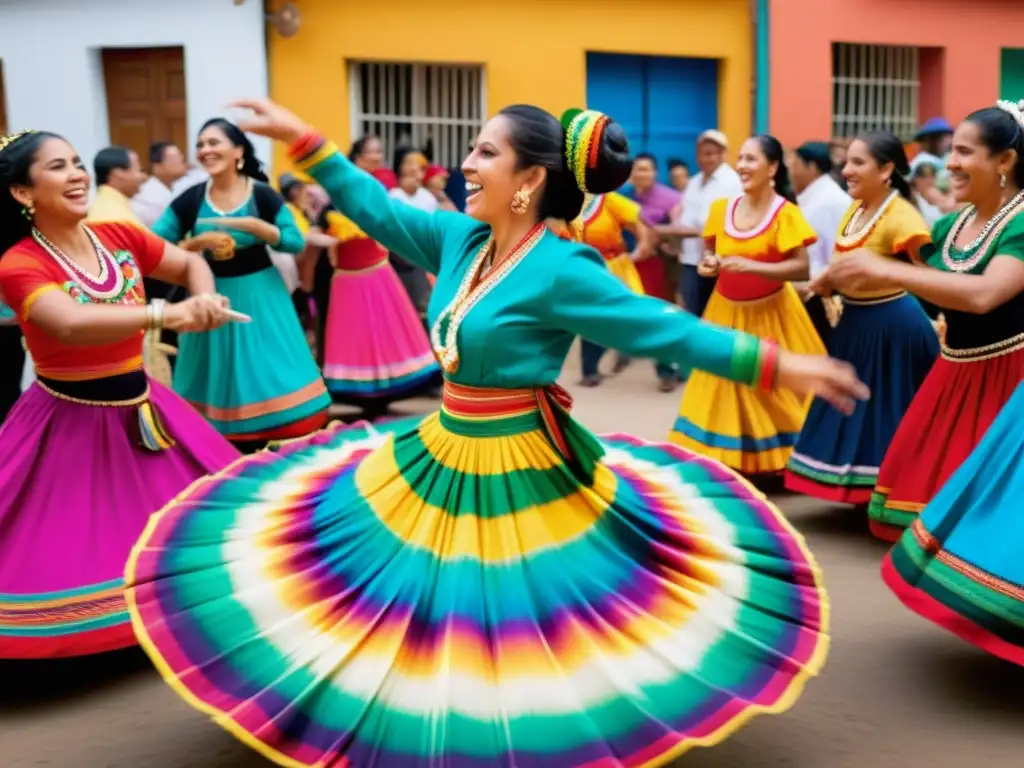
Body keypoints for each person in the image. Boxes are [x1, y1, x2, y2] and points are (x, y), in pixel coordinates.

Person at [124, 98, 868, 768]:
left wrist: (780, 365)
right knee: (411, 606)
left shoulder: (561, 268)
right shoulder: (458, 239)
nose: (465, 165)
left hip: (519, 462)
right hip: (439, 451)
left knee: (517, 620)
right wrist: (306, 141)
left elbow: (665, 329)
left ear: (528, 180)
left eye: (484, 153)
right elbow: (371, 208)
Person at [0, 129, 240, 658]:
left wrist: (205, 300)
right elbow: (68, 323)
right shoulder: (18, 263)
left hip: (146, 408)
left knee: (197, 518)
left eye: (77, 162)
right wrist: (166, 313)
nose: (78, 174)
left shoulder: (118, 236)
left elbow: (188, 263)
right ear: (23, 193)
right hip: (68, 416)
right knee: (66, 540)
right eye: (58, 167)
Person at [818, 103, 1024, 542]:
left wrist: (887, 270)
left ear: (1004, 161)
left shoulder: (1020, 224)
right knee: (934, 502)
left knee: (997, 511)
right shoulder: (950, 225)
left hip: (1011, 384)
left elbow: (986, 294)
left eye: (965, 152)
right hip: (954, 374)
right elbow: (938, 292)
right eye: (952, 151)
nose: (951, 162)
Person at [152, 118, 330, 451]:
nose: (205, 150)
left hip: (261, 296)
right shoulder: (189, 200)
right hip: (209, 296)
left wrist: (259, 229)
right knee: (212, 377)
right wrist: (194, 245)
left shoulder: (262, 196)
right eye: (201, 144)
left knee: (268, 370)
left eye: (214, 143)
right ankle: (218, 453)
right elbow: (154, 248)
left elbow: (293, 242)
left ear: (238, 151)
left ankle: (270, 446)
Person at [785, 132, 939, 504]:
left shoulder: (902, 217)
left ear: (886, 169)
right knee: (856, 408)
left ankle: (888, 493)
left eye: (859, 163)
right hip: (856, 324)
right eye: (847, 162)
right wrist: (824, 284)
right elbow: (846, 265)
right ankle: (860, 491)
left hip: (893, 329)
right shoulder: (855, 209)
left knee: (885, 412)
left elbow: (934, 271)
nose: (847, 170)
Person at [669, 135, 824, 474]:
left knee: (771, 391)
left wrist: (754, 266)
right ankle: (730, 462)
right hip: (725, 312)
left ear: (772, 167)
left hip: (773, 315)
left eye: (751, 159)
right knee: (724, 389)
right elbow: (709, 255)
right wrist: (707, 265)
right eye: (740, 158)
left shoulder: (786, 214)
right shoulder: (721, 209)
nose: (742, 166)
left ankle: (775, 462)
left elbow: (802, 267)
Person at [318, 171, 440, 409]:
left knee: (385, 332)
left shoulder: (374, 204)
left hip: (377, 275)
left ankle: (391, 387)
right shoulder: (329, 212)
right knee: (354, 336)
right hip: (347, 280)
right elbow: (326, 247)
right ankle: (356, 391)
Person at [567, 191, 654, 387]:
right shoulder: (566, 199)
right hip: (585, 269)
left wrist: (644, 244)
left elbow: (639, 224)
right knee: (589, 319)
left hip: (615, 267)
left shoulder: (609, 199)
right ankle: (589, 371)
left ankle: (666, 368)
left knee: (635, 315)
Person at [657, 130, 743, 320]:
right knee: (691, 312)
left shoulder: (731, 182)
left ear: (722, 155)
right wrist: (674, 238)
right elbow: (685, 218)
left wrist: (668, 231)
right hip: (689, 259)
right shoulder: (695, 182)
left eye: (711, 153)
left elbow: (721, 226)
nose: (705, 159)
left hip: (716, 262)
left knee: (713, 317)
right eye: (702, 153)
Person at [786, 141, 852, 342]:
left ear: (811, 167)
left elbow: (820, 261)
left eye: (794, 163)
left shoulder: (824, 202)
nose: (789, 169)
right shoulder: (817, 197)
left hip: (824, 298)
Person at [133, 142, 189, 228]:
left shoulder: (178, 187)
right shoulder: (146, 197)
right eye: (174, 157)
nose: (181, 159)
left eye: (180, 155)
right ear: (157, 166)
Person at [86, 146, 147, 226]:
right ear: (119, 173)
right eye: (139, 170)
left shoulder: (101, 207)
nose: (143, 176)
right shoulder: (116, 218)